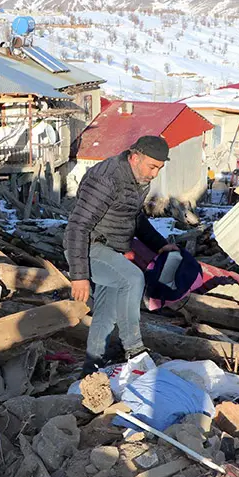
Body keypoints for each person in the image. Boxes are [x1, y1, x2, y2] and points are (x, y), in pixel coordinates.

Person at [64, 135, 179, 374]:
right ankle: (134, 349)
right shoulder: (106, 179)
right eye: (152, 166)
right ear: (135, 157)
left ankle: (92, 368)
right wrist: (79, 275)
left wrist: (160, 245)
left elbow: (133, 217)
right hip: (88, 248)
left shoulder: (136, 179)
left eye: (159, 168)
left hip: (111, 251)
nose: (155, 174)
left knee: (106, 315)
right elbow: (78, 226)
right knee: (132, 278)